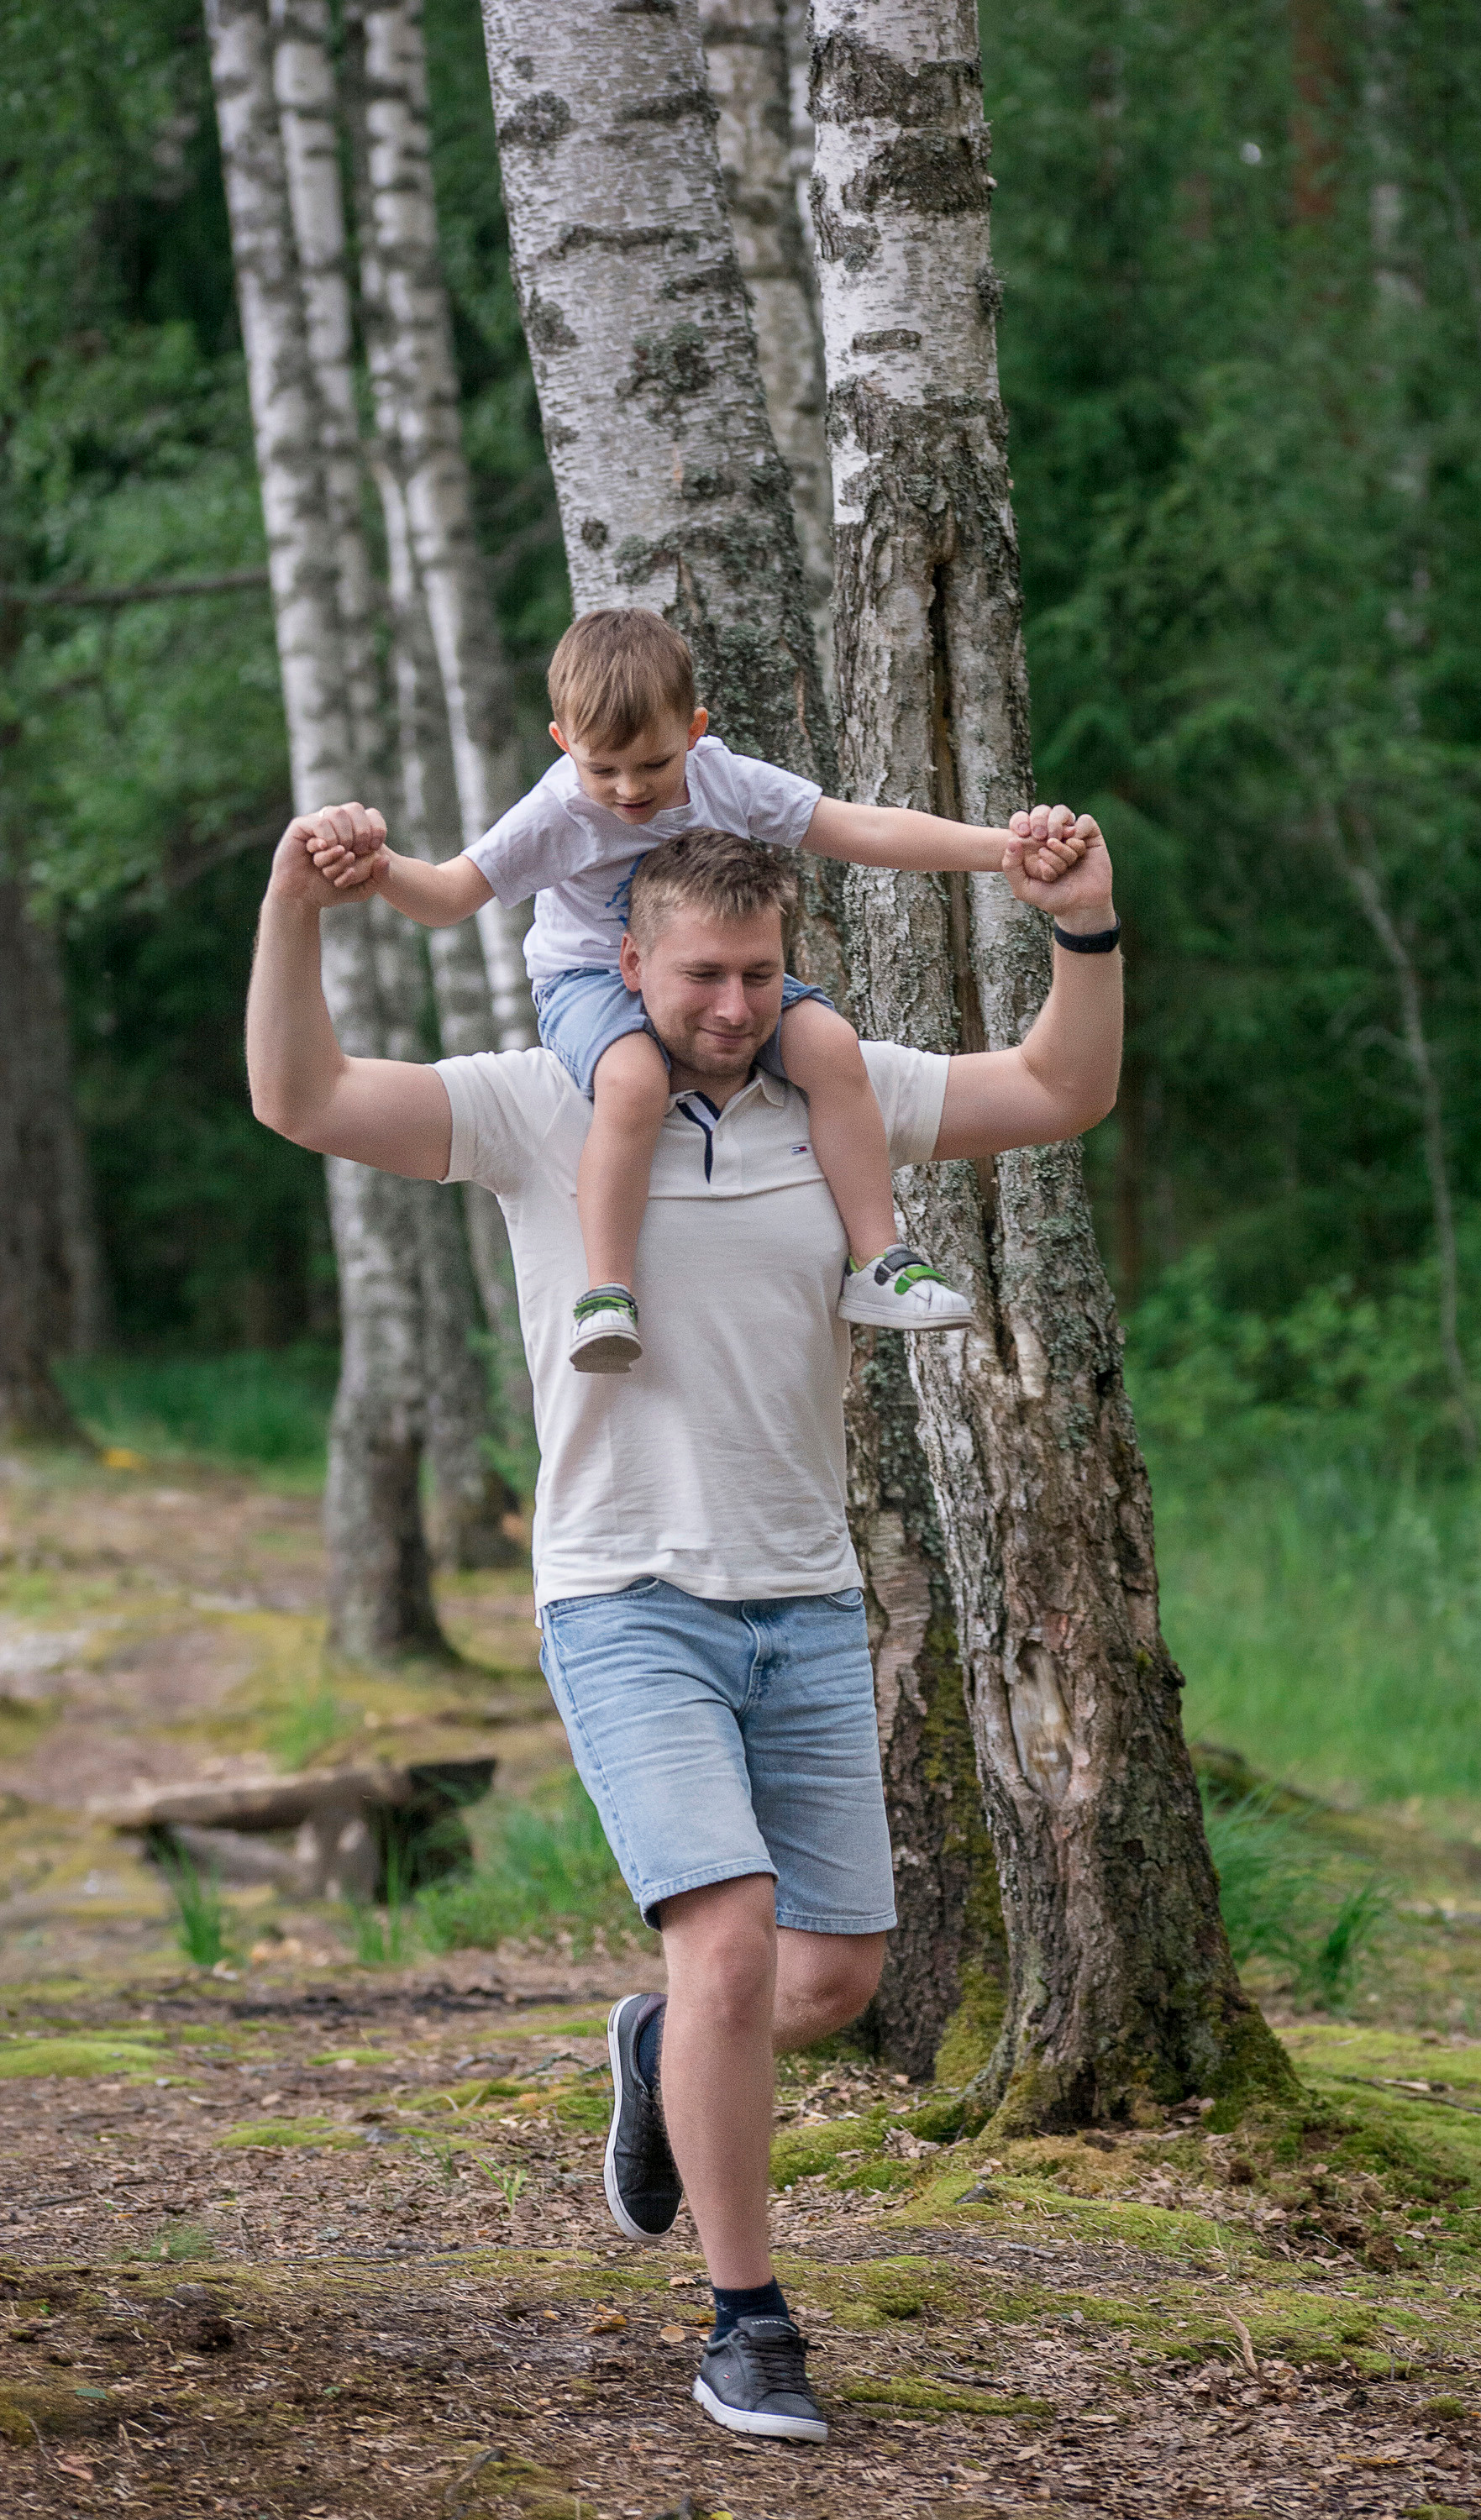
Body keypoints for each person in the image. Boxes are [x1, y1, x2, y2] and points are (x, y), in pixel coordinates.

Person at [246, 801, 1122, 2445]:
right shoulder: (545, 1105)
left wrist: (1083, 923)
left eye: (757, 975)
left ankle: (652, 2050)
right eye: (700, 976)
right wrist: (296, 904)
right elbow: (298, 1097)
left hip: (803, 1600)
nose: (731, 1007)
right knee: (726, 1949)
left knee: (834, 1977)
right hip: (623, 1596)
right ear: (625, 961)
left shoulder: (831, 1095)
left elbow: (1061, 1086)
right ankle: (748, 2322)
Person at [302, 607, 1085, 1371]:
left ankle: (879, 1258)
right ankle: (606, 1291)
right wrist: (378, 867)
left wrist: (1004, 850)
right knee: (635, 1079)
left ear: (695, 731)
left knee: (829, 1043)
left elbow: (864, 830)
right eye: (600, 767)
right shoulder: (557, 812)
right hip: (590, 980)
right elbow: (447, 896)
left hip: (711, 975)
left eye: (653, 764)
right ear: (562, 742)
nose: (628, 789)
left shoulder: (726, 781)